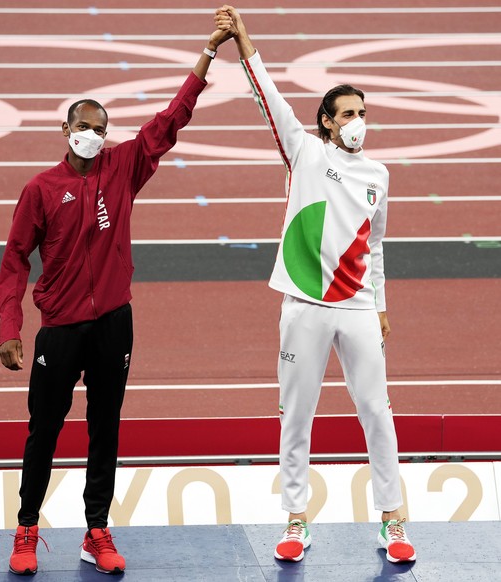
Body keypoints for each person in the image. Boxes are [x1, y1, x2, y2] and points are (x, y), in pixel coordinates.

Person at [0, 25, 233, 576]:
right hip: (59, 329)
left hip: (112, 325)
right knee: (44, 430)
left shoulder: (122, 169)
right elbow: (14, 260)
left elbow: (169, 122)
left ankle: (96, 529)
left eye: (101, 129)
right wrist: (11, 328)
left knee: (106, 427)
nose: (93, 136)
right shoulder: (40, 189)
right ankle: (27, 527)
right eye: (84, 127)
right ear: (65, 129)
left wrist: (206, 54)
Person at [215, 6, 416, 565]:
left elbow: (375, 246)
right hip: (303, 305)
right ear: (326, 121)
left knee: (376, 410)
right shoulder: (302, 151)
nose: (358, 121)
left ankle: (393, 519)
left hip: (356, 307)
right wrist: (243, 40)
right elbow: (268, 96)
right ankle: (297, 520)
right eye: (347, 113)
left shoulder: (380, 176)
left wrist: (379, 304)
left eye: (363, 112)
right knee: (297, 413)